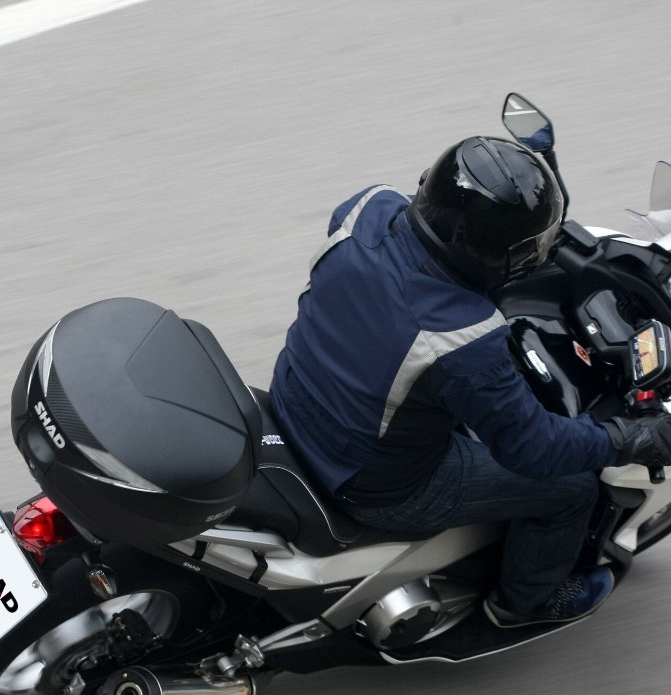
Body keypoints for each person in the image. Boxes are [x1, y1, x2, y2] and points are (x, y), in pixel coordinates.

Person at [270, 136, 671, 628]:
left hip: (296, 394)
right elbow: (535, 449)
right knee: (571, 488)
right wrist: (630, 438)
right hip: (371, 483)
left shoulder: (366, 207)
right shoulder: (462, 340)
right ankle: (523, 604)